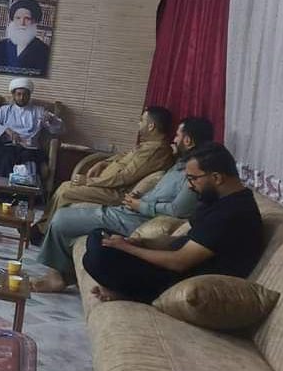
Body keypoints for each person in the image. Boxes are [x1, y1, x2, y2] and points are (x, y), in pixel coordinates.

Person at [32, 117, 215, 293]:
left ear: (188, 141)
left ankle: (56, 277)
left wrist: (141, 205)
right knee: (67, 210)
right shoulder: (179, 164)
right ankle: (63, 270)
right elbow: (157, 189)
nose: (174, 139)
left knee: (62, 218)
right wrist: (139, 196)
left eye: (178, 135)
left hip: (136, 217)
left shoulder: (193, 173)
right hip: (130, 209)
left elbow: (178, 210)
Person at [82, 142, 263, 304]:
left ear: (216, 178)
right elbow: (187, 241)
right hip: (168, 268)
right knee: (99, 235)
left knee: (96, 258)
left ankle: (129, 293)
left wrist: (127, 248)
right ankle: (119, 289)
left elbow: (180, 261)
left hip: (174, 280)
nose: (190, 186)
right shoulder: (220, 201)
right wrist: (140, 242)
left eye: (193, 179)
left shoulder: (232, 214)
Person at [33, 106, 176, 237]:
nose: (138, 124)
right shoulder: (147, 145)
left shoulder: (155, 151)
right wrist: (103, 163)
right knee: (64, 186)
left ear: (151, 126)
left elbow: (125, 178)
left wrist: (89, 181)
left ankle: (45, 232)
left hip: (117, 192)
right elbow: (122, 157)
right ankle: (42, 226)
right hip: (107, 186)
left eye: (141, 120)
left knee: (66, 192)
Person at [0, 77, 63, 198]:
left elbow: (57, 130)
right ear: (13, 95)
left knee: (28, 163)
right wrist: (6, 130)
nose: (21, 97)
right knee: (5, 159)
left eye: (25, 94)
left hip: (31, 149)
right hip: (9, 147)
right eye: (18, 94)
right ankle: (2, 196)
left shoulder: (39, 111)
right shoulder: (5, 110)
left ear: (29, 95)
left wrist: (52, 120)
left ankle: (24, 198)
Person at [0, 0, 51, 74]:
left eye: (27, 18)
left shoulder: (44, 50)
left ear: (34, 21)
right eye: (18, 18)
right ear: (12, 20)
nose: (22, 23)